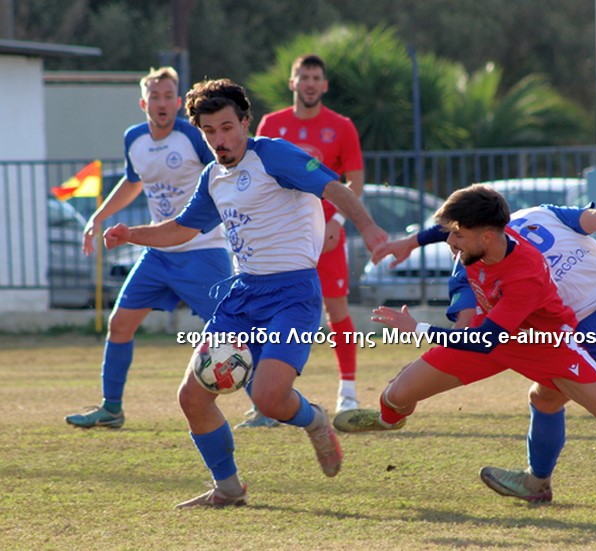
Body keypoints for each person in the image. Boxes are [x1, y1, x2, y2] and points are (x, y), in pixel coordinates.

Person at [334, 184, 596, 510]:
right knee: (397, 393)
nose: (451, 242)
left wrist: (417, 328)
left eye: (457, 235)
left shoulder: (525, 273)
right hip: (494, 334)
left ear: (488, 236)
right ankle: (388, 420)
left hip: (545, 346)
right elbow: (453, 239)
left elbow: (484, 340)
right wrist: (412, 241)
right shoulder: (484, 237)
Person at [103, 78, 386, 507]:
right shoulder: (212, 177)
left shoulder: (272, 154)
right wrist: (131, 234)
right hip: (242, 296)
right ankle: (228, 489)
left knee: (270, 398)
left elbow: (333, 187)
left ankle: (315, 421)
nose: (219, 140)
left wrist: (368, 228)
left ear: (244, 123)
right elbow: (182, 228)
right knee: (192, 397)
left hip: (292, 294)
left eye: (226, 127)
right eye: (209, 131)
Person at [65, 67, 231, 429]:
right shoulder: (134, 139)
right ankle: (111, 409)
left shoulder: (193, 136)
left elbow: (223, 176)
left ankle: (266, 406)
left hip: (203, 249)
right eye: (155, 96)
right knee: (119, 324)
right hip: (158, 254)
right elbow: (132, 182)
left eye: (169, 96)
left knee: (232, 329)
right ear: (143, 103)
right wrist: (98, 217)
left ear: (178, 102)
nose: (162, 103)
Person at [238, 54, 364, 428]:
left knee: (336, 310)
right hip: (280, 239)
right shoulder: (271, 124)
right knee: (265, 313)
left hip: (326, 238)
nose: (310, 83)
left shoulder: (341, 126)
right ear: (293, 83)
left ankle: (348, 392)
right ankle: (268, 402)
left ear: (324, 85)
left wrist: (337, 220)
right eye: (303, 77)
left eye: (316, 78)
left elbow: (355, 181)